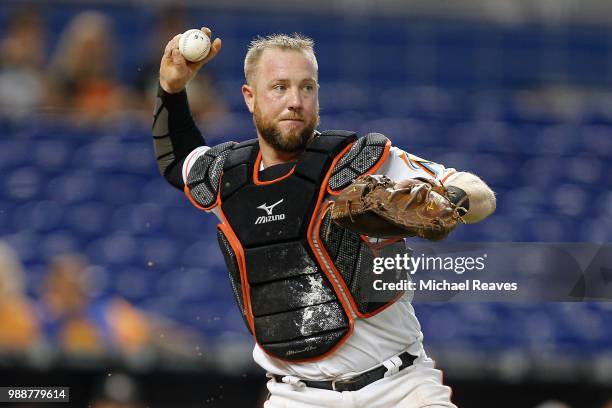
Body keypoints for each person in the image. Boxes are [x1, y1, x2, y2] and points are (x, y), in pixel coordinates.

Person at [152, 28, 496, 408]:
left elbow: (479, 193)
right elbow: (177, 160)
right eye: (279, 87)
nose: (295, 101)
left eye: (307, 87)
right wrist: (171, 89)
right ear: (250, 98)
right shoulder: (226, 176)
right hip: (294, 396)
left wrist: (450, 201)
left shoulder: (357, 161)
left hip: (399, 389)